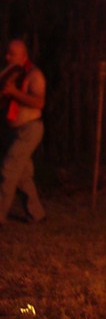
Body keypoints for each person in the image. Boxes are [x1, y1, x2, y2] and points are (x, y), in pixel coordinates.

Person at [0, 38, 47, 225]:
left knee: (8, 169)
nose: (7, 56)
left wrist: (13, 92)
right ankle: (37, 214)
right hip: (15, 130)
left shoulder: (35, 75)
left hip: (31, 129)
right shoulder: (9, 74)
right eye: (7, 52)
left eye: (12, 53)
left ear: (23, 55)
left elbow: (39, 103)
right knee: (23, 176)